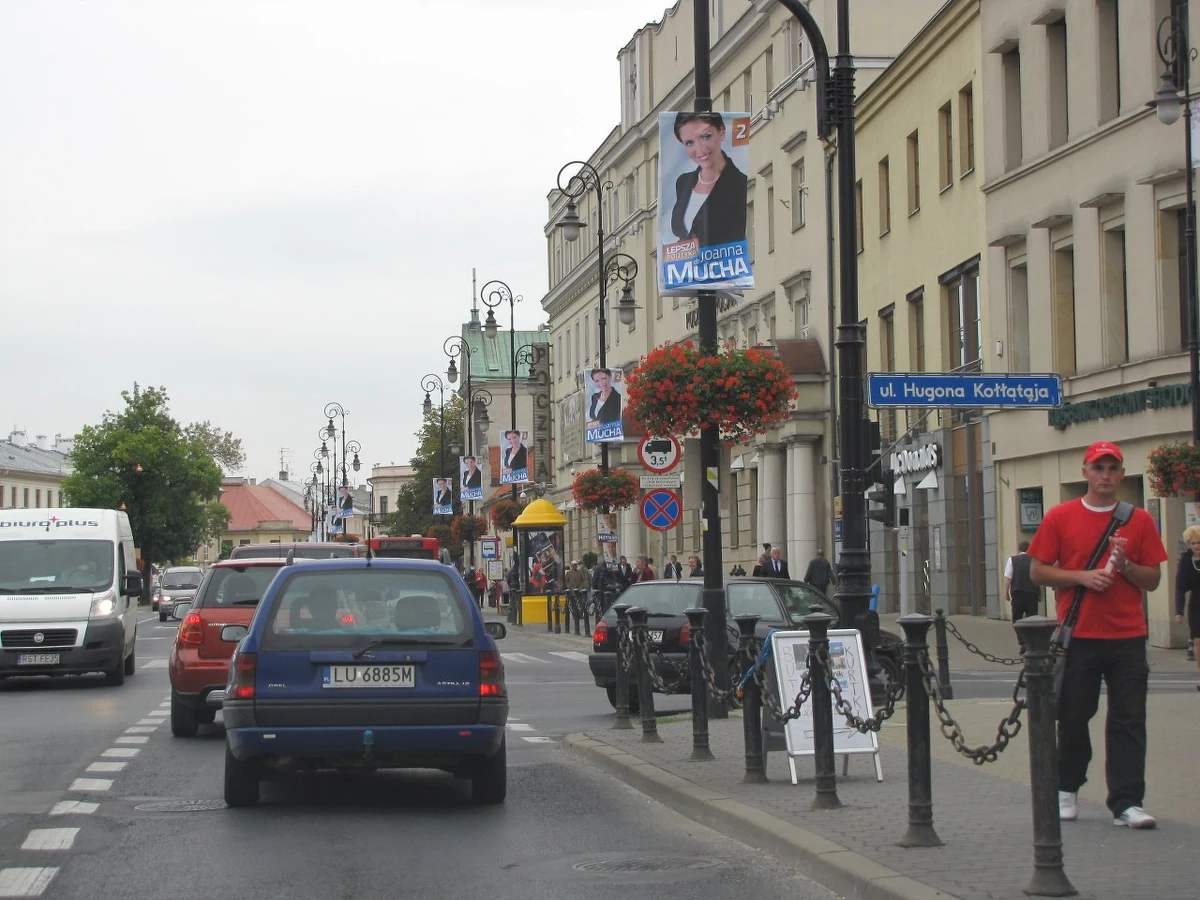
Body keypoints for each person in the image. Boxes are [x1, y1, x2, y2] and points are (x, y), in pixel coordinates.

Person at [1028, 441, 1167, 830]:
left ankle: (1127, 801)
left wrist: (1125, 566)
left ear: (1122, 474)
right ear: (1085, 472)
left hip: (1127, 636)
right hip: (1080, 635)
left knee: (1128, 720)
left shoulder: (1137, 521)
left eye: (1113, 469)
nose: (1106, 476)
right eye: (1099, 468)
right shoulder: (1061, 517)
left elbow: (1153, 580)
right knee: (1073, 717)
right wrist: (1083, 577)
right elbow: (1038, 571)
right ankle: (1065, 789)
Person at [669, 112, 748, 248]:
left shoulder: (739, 183)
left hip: (725, 265)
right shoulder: (683, 182)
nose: (699, 148)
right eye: (689, 142)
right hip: (689, 267)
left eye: (705, 137)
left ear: (722, 132)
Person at [1173, 525, 1200, 690]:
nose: (1197, 546)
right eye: (1194, 543)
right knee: (1198, 641)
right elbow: (1180, 587)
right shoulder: (1185, 560)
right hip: (1196, 606)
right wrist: (1179, 611)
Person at [1004, 540, 1040, 622]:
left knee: (1017, 618)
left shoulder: (1012, 560)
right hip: (1032, 593)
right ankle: (1030, 634)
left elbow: (1008, 578)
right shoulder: (1034, 560)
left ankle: (1020, 634)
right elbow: (1038, 576)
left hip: (1017, 593)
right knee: (1032, 619)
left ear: (1019, 549)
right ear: (1029, 548)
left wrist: (1006, 593)